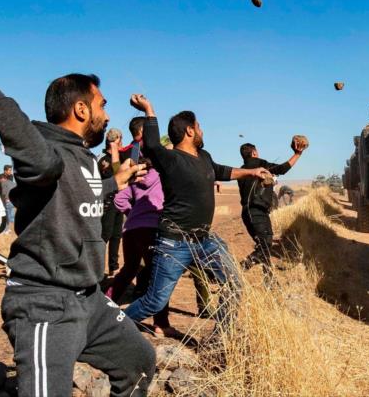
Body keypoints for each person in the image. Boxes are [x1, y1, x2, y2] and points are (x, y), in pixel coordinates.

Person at [0, 67, 155, 397]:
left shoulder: (81, 156)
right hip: (45, 304)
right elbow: (44, 165)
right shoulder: (46, 148)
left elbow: (82, 192)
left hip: (89, 300)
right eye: (102, 104)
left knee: (138, 362)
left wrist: (117, 181)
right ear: (81, 109)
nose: (107, 113)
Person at [124, 94, 271, 336]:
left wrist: (252, 172)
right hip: (174, 242)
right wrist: (149, 109)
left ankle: (221, 338)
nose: (202, 131)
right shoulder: (170, 160)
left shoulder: (204, 157)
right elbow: (151, 145)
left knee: (234, 283)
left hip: (204, 241)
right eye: (199, 126)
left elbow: (221, 171)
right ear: (190, 131)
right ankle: (108, 327)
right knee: (154, 302)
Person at [106, 157, 175, 337]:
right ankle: (161, 323)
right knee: (158, 274)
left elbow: (119, 199)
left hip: (130, 229)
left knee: (129, 269)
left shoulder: (136, 180)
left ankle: (105, 303)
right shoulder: (161, 176)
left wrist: (133, 214)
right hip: (151, 229)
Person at [238, 140, 306, 270]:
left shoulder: (241, 171)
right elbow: (282, 168)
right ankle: (240, 269)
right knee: (265, 246)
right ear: (254, 153)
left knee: (263, 246)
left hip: (248, 214)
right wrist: (297, 154)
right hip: (257, 212)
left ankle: (270, 281)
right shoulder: (259, 164)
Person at [98, 128, 125, 275]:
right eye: (121, 139)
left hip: (118, 202)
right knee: (105, 235)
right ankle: (97, 267)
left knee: (116, 236)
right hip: (107, 203)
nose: (122, 142)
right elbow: (117, 173)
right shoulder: (103, 159)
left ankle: (113, 268)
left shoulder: (118, 158)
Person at [0, 165, 17, 232]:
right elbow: (4, 188)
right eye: (9, 170)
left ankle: (6, 228)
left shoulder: (10, 176)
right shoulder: (0, 176)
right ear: (5, 171)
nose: (11, 171)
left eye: (11, 170)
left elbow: (9, 187)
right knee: (3, 213)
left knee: (8, 213)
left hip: (6, 197)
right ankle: (3, 229)